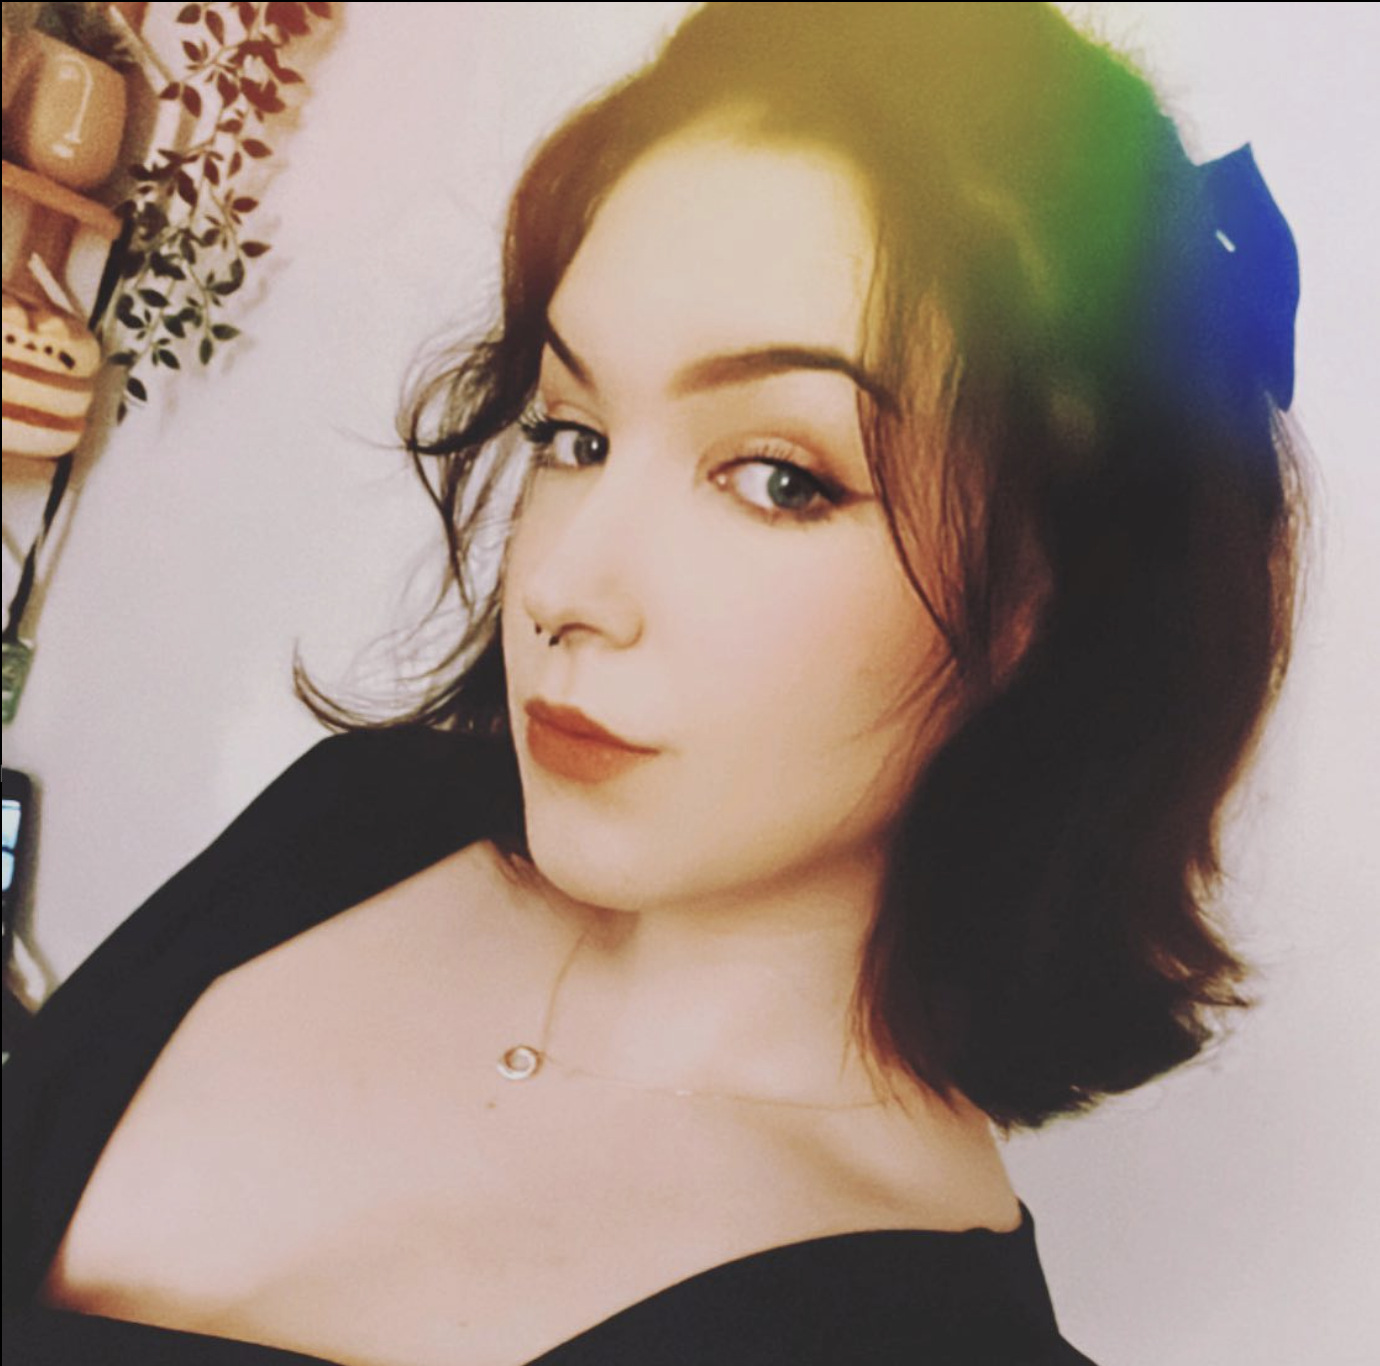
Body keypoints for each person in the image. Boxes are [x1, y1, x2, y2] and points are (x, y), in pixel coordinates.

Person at [3, 4, 1304, 1364]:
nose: (565, 587)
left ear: (1045, 600)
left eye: (780, 478)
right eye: (573, 433)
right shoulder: (358, 817)